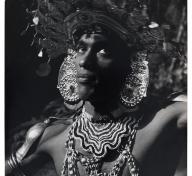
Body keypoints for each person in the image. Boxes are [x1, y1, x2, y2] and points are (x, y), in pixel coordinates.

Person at [5, 0, 187, 176]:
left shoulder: (165, 120)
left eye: (103, 51)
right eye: (81, 49)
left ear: (129, 65)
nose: (85, 61)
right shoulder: (50, 136)